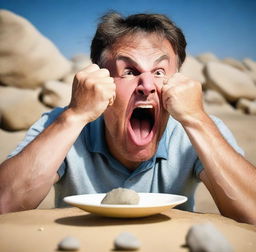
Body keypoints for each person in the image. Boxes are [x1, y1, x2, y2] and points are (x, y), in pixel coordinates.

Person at [0, 12, 255, 224]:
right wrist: (74, 116)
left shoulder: (201, 129)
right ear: (100, 81)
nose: (147, 85)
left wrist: (197, 120)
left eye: (159, 71)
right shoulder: (58, 124)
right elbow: (5, 204)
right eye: (130, 71)